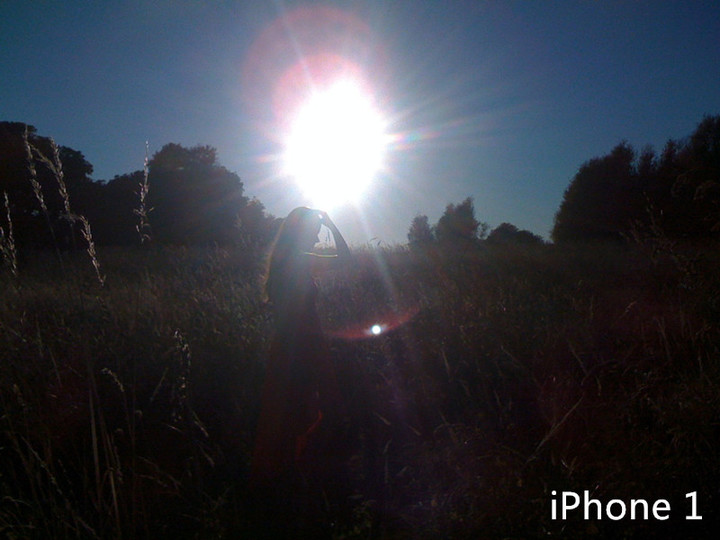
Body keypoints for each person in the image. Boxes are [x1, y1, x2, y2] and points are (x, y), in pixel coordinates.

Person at [250, 207, 350, 491]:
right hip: (302, 345)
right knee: (301, 406)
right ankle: (294, 477)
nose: (317, 238)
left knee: (288, 409)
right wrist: (330, 223)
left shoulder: (284, 261)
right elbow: (346, 258)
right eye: (315, 232)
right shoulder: (300, 261)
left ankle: (285, 475)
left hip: (289, 344)